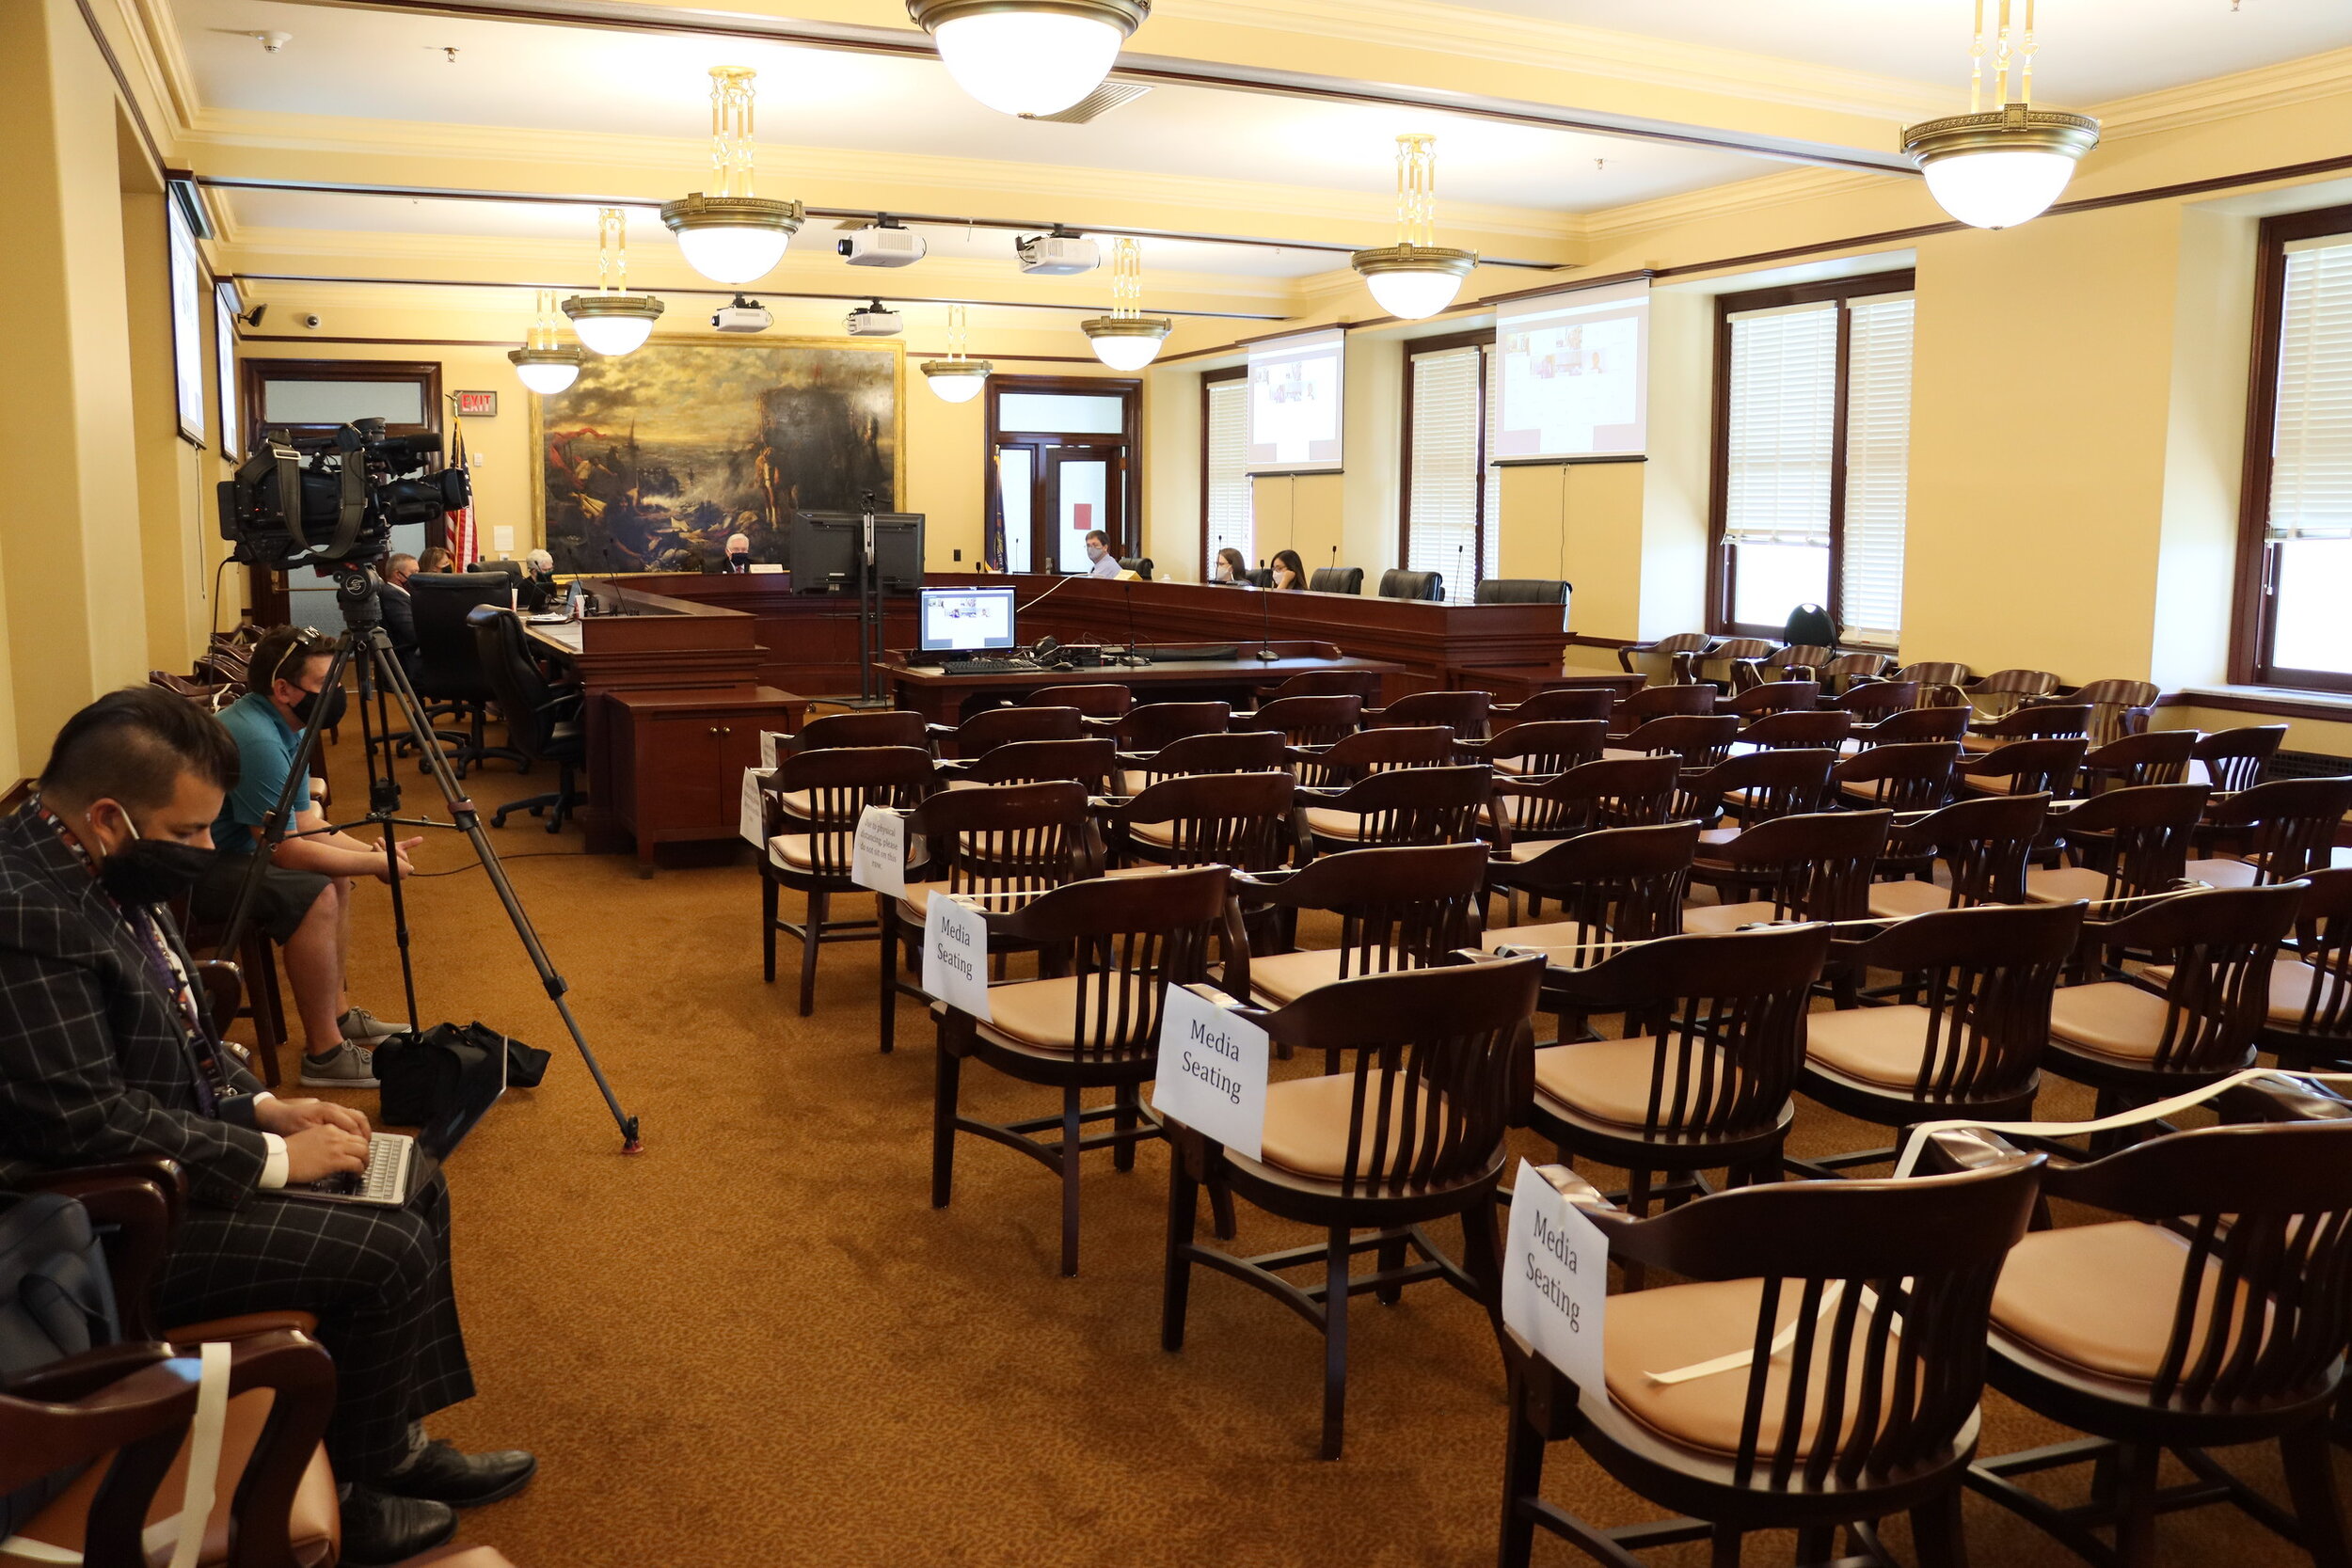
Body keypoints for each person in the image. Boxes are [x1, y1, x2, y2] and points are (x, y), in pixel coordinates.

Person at [0, 687, 532, 1561]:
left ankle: (390, 1443)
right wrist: (272, 1157)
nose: (208, 849)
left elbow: (177, 1021)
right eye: (189, 831)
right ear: (108, 817)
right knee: (389, 1247)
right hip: (109, 1222)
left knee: (412, 1176)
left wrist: (264, 1104)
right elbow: (84, 1123)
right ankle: (357, 1491)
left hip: (171, 1150)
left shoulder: (102, 863)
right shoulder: (25, 913)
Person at [199, 627, 419, 1088]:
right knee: (315, 891)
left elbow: (305, 823)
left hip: (234, 852)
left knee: (333, 875)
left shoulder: (287, 724)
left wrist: (371, 851)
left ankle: (337, 1015)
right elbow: (285, 849)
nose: (335, 693)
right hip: (194, 872)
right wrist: (376, 866)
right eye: (325, 684)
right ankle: (324, 1054)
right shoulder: (257, 739)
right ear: (284, 689)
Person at [377, 552, 422, 688]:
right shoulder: (392, 595)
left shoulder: (403, 594)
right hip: (409, 662)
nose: (418, 576)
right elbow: (412, 632)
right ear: (398, 574)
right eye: (413, 572)